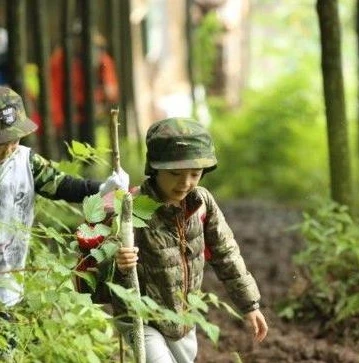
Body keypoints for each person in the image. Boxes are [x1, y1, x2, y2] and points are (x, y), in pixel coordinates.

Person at [113, 117, 268, 362]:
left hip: (184, 317)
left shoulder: (202, 203)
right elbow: (104, 265)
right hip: (141, 316)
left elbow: (226, 253)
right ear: (155, 169)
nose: (185, 183)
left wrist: (250, 305)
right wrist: (119, 262)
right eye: (175, 173)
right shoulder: (133, 206)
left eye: (195, 174)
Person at [0, 86, 129, 310]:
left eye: (15, 138)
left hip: (9, 281)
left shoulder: (26, 162)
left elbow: (64, 186)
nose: (11, 146)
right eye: (3, 141)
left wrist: (105, 188)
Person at [50, 27, 119, 148]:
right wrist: (58, 121)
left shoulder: (103, 60)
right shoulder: (60, 60)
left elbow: (111, 91)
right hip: (69, 118)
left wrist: (101, 103)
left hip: (96, 117)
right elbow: (54, 92)